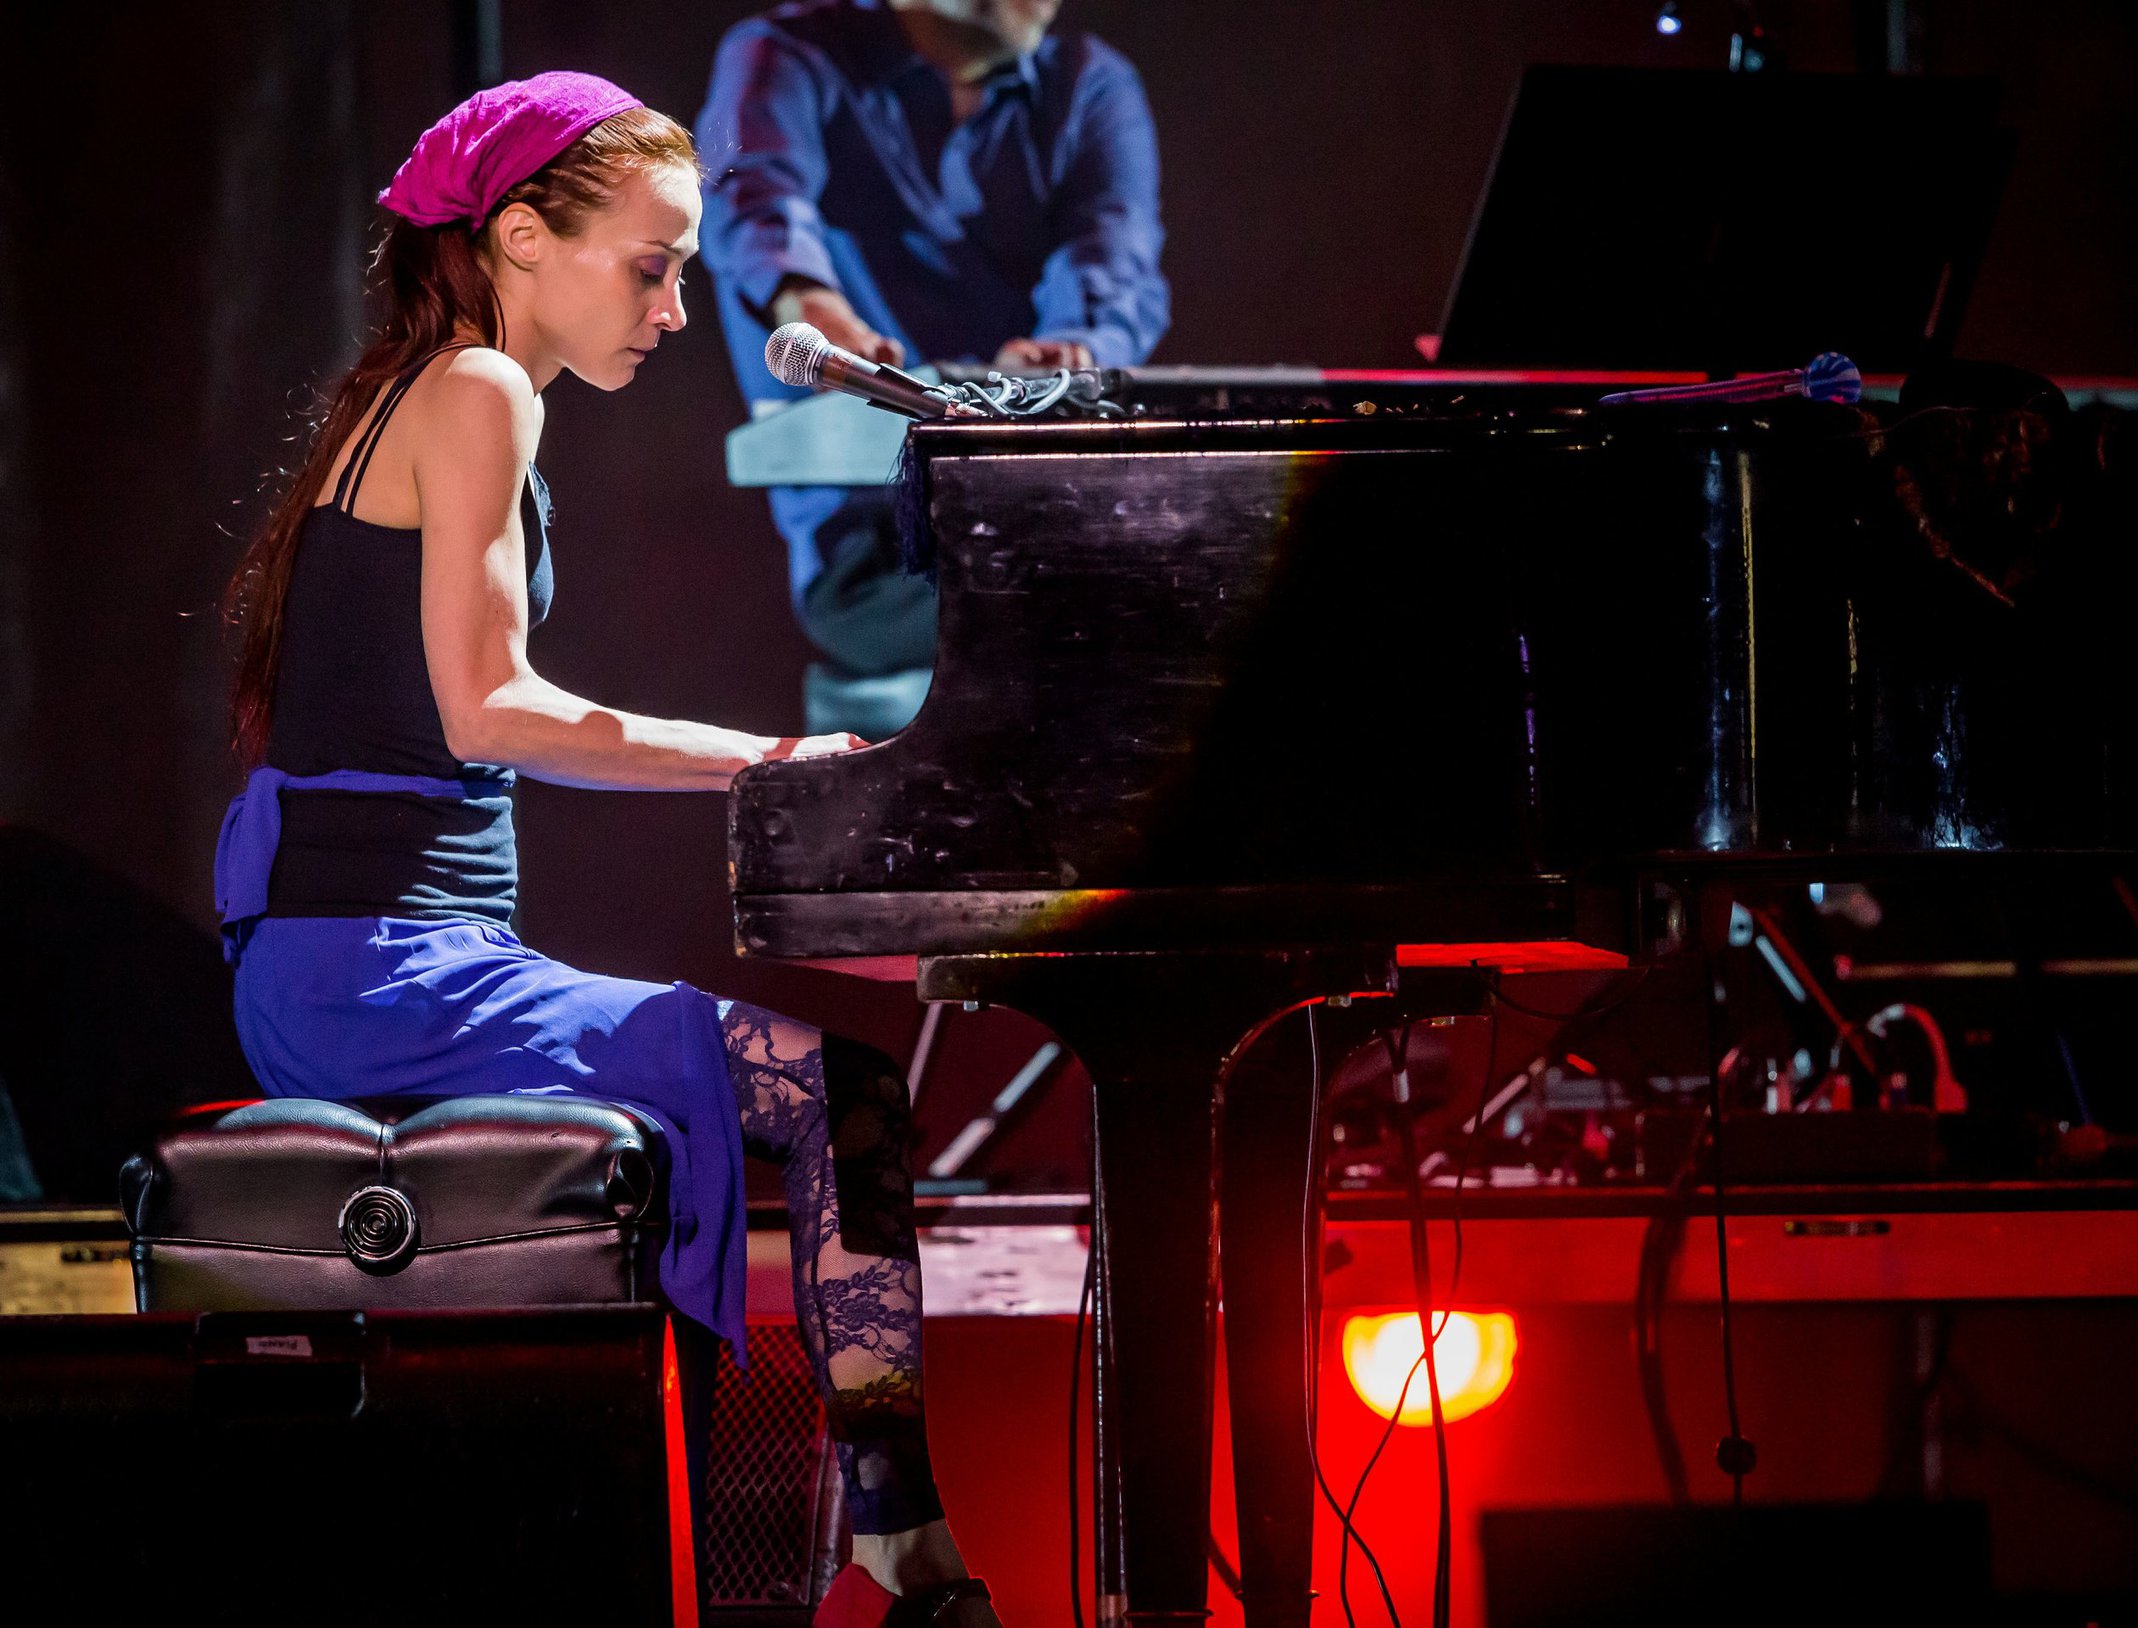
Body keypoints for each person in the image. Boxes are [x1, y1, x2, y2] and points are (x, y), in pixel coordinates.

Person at [217, 72, 998, 1628]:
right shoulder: (477, 394)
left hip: (356, 960)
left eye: (687, 270)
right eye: (649, 265)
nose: (674, 302)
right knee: (835, 1089)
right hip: (377, 970)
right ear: (518, 238)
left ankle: (835, 1538)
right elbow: (491, 710)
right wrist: (780, 758)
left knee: (814, 1087)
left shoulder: (427, 394)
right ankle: (892, 1541)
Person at [697, 0, 1169, 737]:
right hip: (875, 559)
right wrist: (809, 301)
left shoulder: (1091, 83)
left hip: (1052, 519)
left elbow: (1114, 255)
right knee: (1140, 606)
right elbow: (748, 192)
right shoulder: (784, 54)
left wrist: (1078, 349)